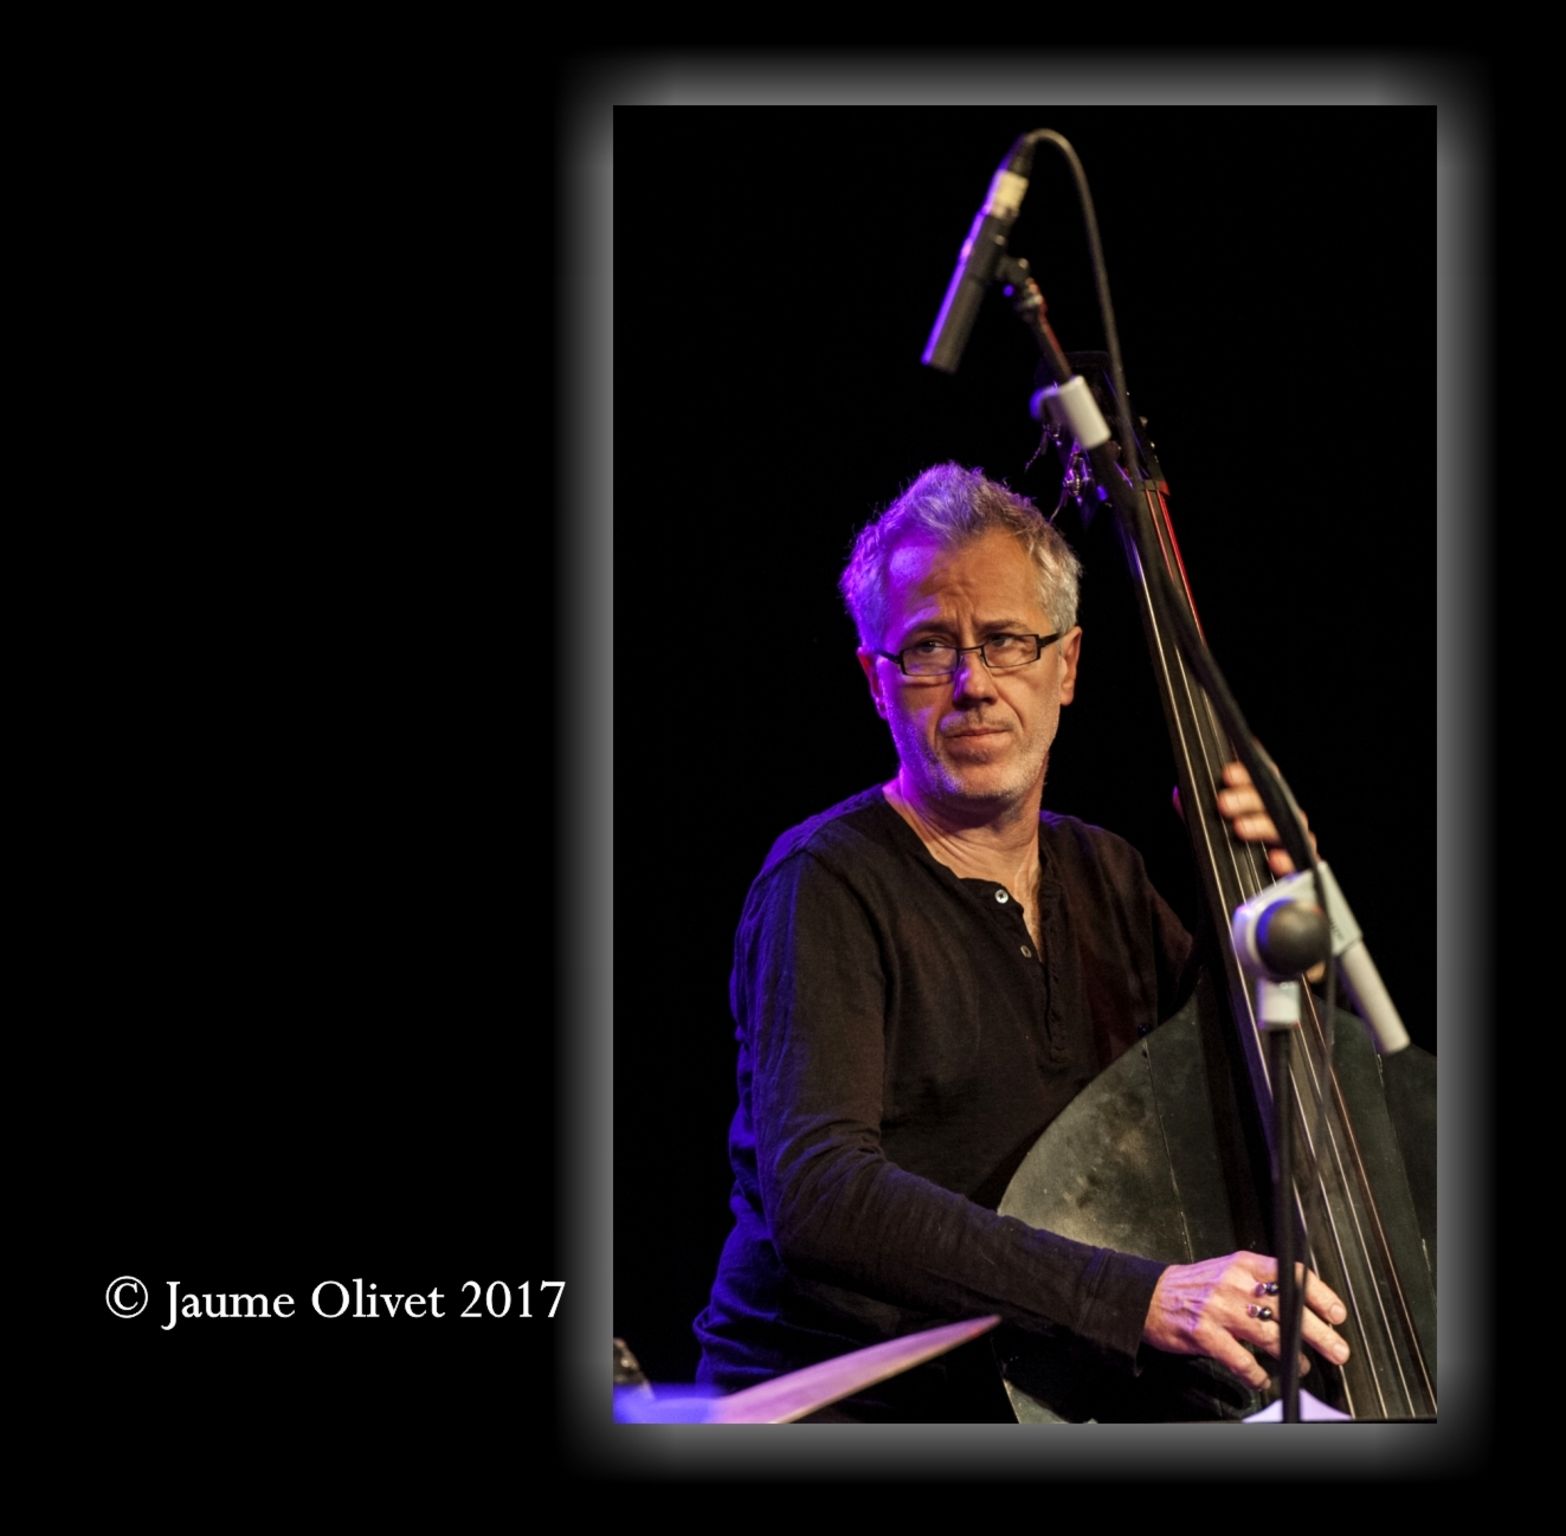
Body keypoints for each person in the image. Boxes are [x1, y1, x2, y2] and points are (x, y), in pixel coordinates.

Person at [693, 462, 1350, 1422]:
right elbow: (823, 1195)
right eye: (929, 648)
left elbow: (1251, 1100)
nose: (974, 685)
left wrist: (1292, 919)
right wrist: (1136, 1298)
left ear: (1066, 666)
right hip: (853, 1407)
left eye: (1005, 641)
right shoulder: (824, 882)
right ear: (878, 684)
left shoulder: (1107, 873)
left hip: (1038, 1394)